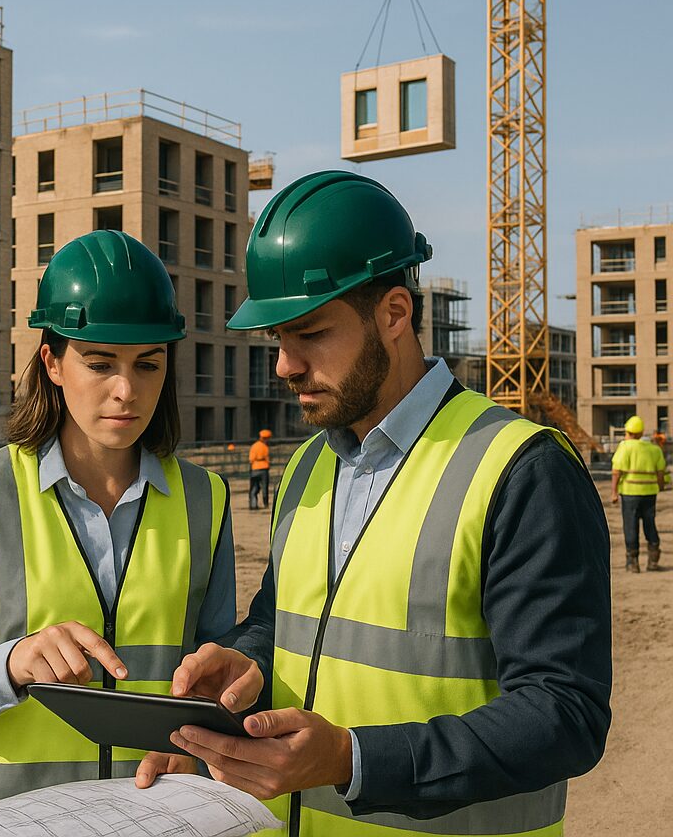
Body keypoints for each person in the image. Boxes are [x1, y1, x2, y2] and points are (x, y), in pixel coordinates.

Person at [142, 171, 612, 837]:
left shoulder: (519, 470)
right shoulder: (308, 467)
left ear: (395, 314)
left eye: (309, 334)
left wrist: (353, 758)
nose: (285, 366)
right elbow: (289, 626)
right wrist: (246, 660)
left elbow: (564, 714)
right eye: (278, 339)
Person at [0, 230, 236, 814]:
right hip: (5, 825)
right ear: (51, 361)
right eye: (99, 363)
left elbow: (222, 677)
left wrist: (209, 737)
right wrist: (10, 664)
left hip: (154, 823)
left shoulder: (206, 500)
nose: (126, 390)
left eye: (148, 364)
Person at [611, 414, 665, 572]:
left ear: (630, 432)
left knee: (630, 526)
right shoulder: (654, 449)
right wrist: (660, 486)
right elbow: (660, 473)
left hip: (629, 494)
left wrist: (614, 492)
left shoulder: (625, 447)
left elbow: (616, 471)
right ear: (641, 432)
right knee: (650, 524)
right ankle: (653, 561)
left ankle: (632, 563)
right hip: (649, 494)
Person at [248, 429, 272, 510]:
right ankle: (265, 504)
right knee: (265, 487)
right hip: (264, 469)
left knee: (254, 488)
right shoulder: (265, 447)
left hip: (255, 469)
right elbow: (267, 459)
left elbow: (251, 459)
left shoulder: (254, 446)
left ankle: (253, 505)